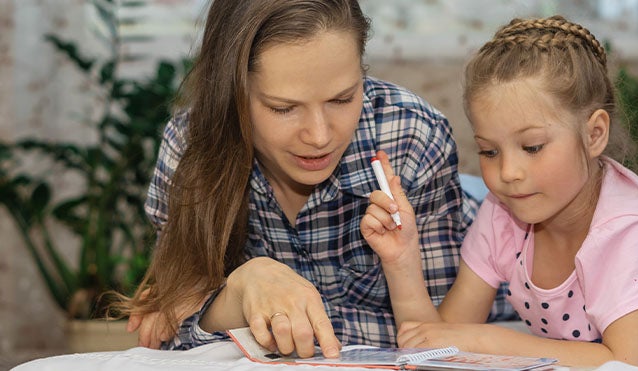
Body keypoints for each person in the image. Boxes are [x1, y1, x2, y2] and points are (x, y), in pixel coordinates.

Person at [115, 0, 520, 359]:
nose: (320, 136)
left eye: (342, 99)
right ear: (232, 93)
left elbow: (441, 336)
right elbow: (167, 332)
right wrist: (243, 287)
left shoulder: (410, 134)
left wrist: (233, 313)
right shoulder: (192, 147)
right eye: (283, 108)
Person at [361, 15, 638, 368]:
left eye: (532, 147)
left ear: (594, 133)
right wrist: (401, 263)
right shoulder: (502, 212)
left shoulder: (631, 232)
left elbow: (625, 362)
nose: (508, 173)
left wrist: (489, 338)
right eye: (489, 151)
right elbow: (437, 339)